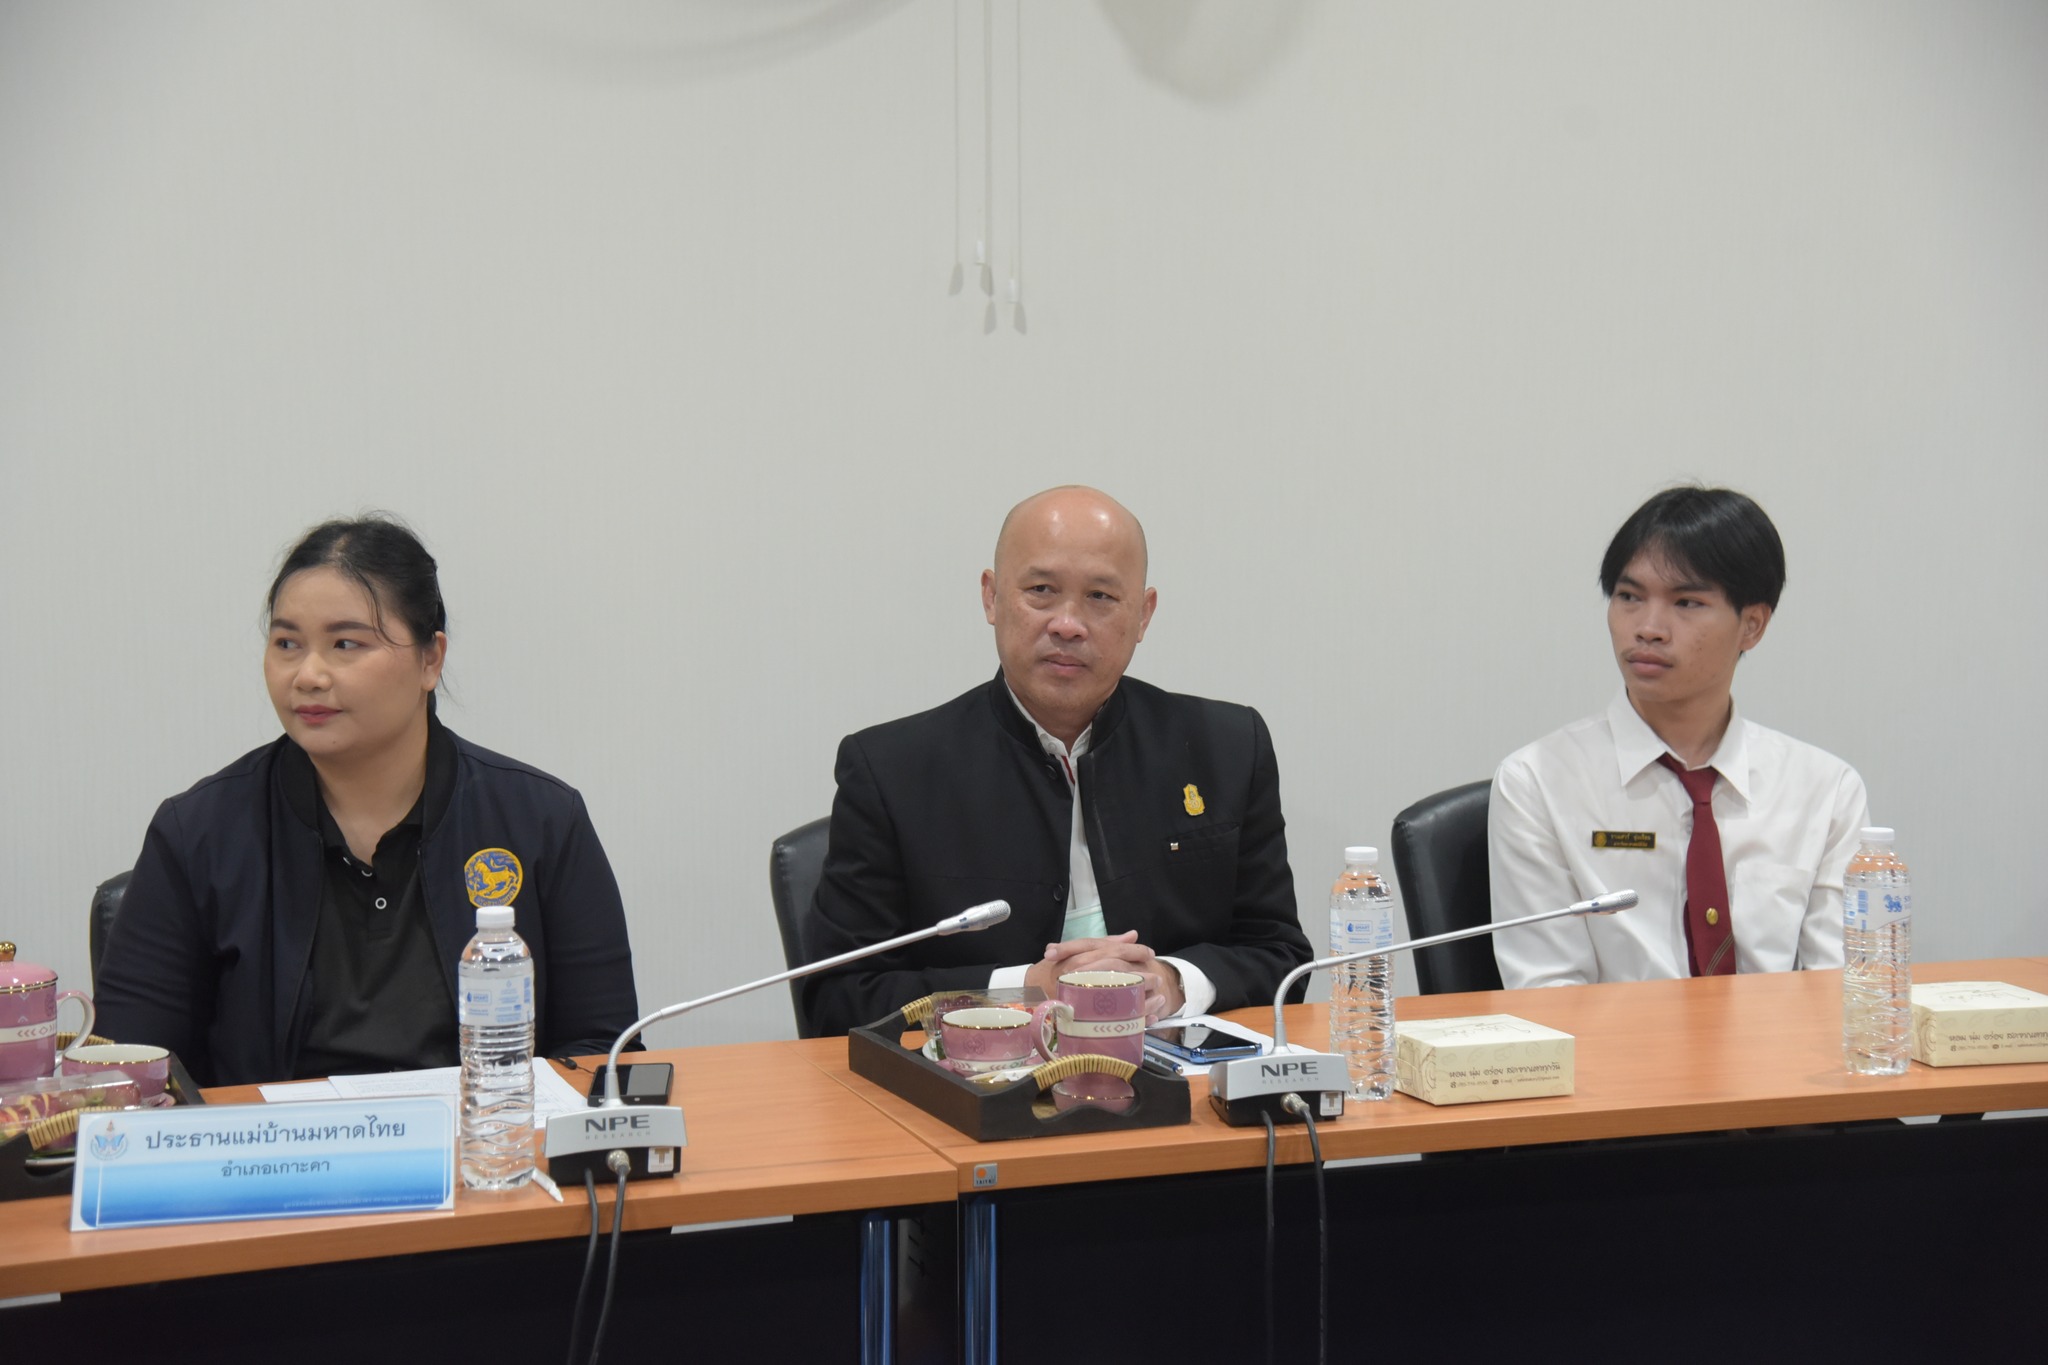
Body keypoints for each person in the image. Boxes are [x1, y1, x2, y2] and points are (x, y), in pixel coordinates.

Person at [94, 516, 638, 1086]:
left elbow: (604, 1052)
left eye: (346, 644)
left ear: (430, 660)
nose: (308, 675)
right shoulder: (197, 834)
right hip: (274, 1144)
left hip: (484, 1138)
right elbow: (131, 1078)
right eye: (287, 644)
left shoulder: (541, 821)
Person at [800, 486, 1311, 1036]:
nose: (1068, 624)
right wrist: (1027, 988)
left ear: (1144, 615)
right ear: (992, 598)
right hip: (976, 1077)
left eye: (1100, 596)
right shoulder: (891, 770)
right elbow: (838, 996)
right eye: (1041, 590)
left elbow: (1279, 954)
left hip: (1179, 1075)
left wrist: (1171, 982)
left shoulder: (1226, 748)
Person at [1489, 486, 1870, 988]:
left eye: (1686, 602)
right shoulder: (1538, 783)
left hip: (1775, 1040)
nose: (1648, 628)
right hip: (1608, 1042)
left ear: (1752, 625)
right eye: (1629, 597)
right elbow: (1549, 994)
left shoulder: (1826, 791)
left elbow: (1841, 990)